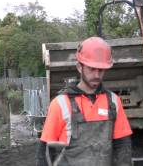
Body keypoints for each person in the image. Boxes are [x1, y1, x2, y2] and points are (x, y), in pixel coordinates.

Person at [36, 37, 133, 166]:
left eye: (101, 70)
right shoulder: (60, 104)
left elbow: (122, 146)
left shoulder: (113, 102)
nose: (97, 75)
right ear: (79, 67)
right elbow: (45, 152)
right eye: (92, 69)